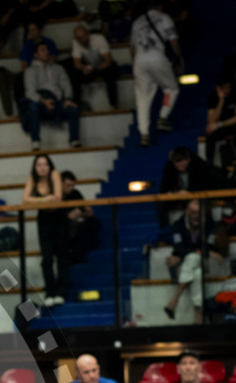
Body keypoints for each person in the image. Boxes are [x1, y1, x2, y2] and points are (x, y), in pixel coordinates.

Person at [163, 199, 226, 324]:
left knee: (194, 260)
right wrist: (196, 252)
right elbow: (179, 247)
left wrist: (196, 253)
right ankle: (199, 317)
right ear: (187, 212)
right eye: (193, 213)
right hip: (184, 265)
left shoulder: (209, 224)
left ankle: (174, 300)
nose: (196, 216)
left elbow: (208, 246)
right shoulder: (178, 225)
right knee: (196, 272)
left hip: (203, 263)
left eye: (198, 213)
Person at [131, 0, 182, 146]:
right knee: (171, 88)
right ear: (161, 4)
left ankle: (144, 134)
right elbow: (173, 41)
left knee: (142, 98)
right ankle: (163, 117)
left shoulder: (137, 22)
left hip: (139, 61)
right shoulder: (165, 18)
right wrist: (179, 58)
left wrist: (136, 65)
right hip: (157, 57)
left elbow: (132, 49)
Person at [23, 153, 70, 307]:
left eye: (45, 165)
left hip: (59, 217)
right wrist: (43, 200)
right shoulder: (33, 177)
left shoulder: (55, 174)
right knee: (47, 258)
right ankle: (50, 291)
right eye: (39, 165)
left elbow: (57, 198)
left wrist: (38, 201)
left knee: (62, 256)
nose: (42, 168)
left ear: (50, 166)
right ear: (35, 167)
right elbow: (25, 199)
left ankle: (61, 291)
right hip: (44, 219)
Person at [23, 44, 81, 150]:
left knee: (73, 109)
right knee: (33, 107)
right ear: (36, 55)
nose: (46, 52)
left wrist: (68, 99)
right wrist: (44, 101)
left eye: (46, 49)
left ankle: (74, 140)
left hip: (57, 101)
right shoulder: (30, 71)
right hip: (41, 102)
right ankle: (35, 141)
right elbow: (30, 92)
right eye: (42, 50)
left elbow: (66, 85)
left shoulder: (58, 68)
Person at [157, 146, 228, 228]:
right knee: (160, 201)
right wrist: (172, 193)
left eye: (182, 163)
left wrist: (189, 193)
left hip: (197, 195)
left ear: (188, 159)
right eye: (177, 164)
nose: (179, 166)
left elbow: (204, 185)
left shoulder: (199, 166)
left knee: (201, 203)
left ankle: (207, 230)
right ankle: (165, 229)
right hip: (180, 196)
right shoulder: (170, 169)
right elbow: (165, 188)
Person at [72, 24, 120, 107]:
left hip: (104, 66)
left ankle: (114, 105)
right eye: (80, 38)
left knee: (110, 74)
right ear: (76, 39)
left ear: (88, 34)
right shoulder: (76, 43)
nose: (83, 40)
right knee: (75, 76)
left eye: (84, 36)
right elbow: (77, 63)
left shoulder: (99, 39)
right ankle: (77, 105)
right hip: (91, 67)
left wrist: (97, 68)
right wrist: (84, 68)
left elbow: (108, 60)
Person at [61, 170, 101, 262]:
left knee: (94, 224)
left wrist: (87, 212)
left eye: (72, 185)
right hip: (64, 228)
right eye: (68, 186)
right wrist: (69, 216)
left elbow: (86, 207)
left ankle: (77, 254)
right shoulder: (57, 197)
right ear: (61, 184)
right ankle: (73, 255)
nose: (71, 188)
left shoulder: (75, 193)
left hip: (78, 225)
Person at [205, 74, 236, 166]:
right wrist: (221, 101)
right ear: (218, 88)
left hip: (230, 125)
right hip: (219, 128)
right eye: (223, 88)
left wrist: (219, 125)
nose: (227, 90)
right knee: (209, 133)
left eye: (228, 87)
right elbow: (211, 121)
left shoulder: (234, 95)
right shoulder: (213, 97)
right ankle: (210, 165)